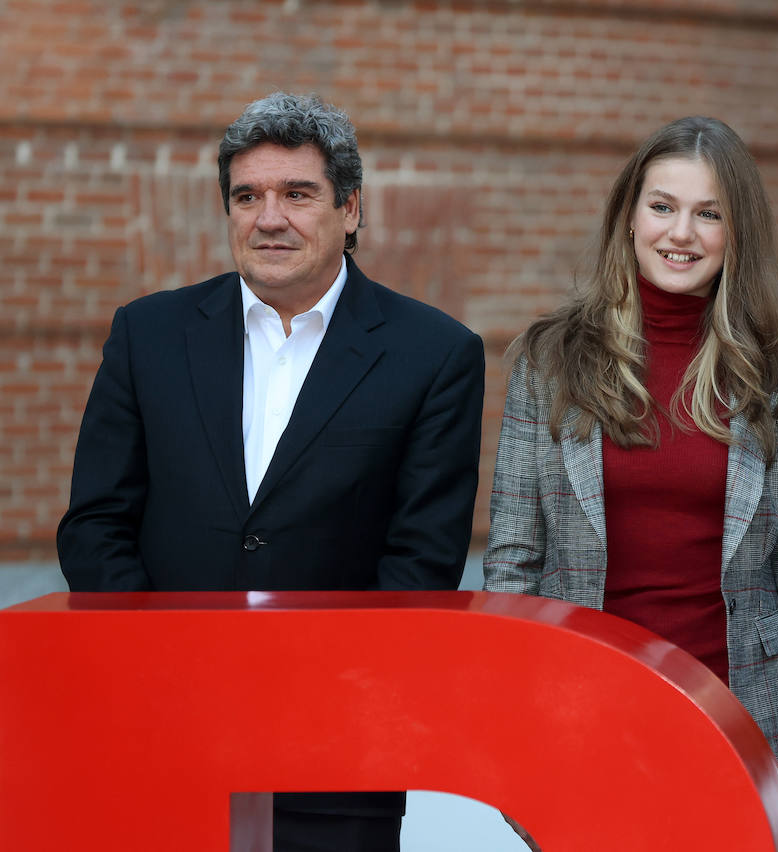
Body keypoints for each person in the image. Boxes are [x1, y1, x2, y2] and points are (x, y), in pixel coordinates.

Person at [57, 92, 485, 852]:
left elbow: (420, 563)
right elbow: (96, 525)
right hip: (160, 736)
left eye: (298, 194)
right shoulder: (147, 334)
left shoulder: (435, 354)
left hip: (336, 752)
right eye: (247, 196)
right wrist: (163, 665)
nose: (269, 217)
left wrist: (308, 694)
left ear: (351, 210)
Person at [483, 116, 778, 850]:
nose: (683, 232)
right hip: (583, 717)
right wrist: (512, 734)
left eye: (710, 214)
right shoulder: (551, 361)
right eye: (663, 206)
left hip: (736, 717)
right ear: (630, 216)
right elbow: (512, 568)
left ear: (739, 233)